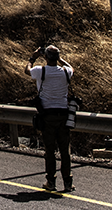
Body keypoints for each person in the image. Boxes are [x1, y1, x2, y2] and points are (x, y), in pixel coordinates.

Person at [27, 44, 74, 193]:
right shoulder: (66, 72)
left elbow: (27, 70)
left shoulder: (41, 71)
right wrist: (60, 59)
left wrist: (33, 57)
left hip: (47, 115)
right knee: (65, 150)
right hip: (63, 115)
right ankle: (67, 181)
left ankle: (51, 181)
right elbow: (71, 67)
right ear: (57, 57)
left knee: (50, 150)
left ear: (46, 57)